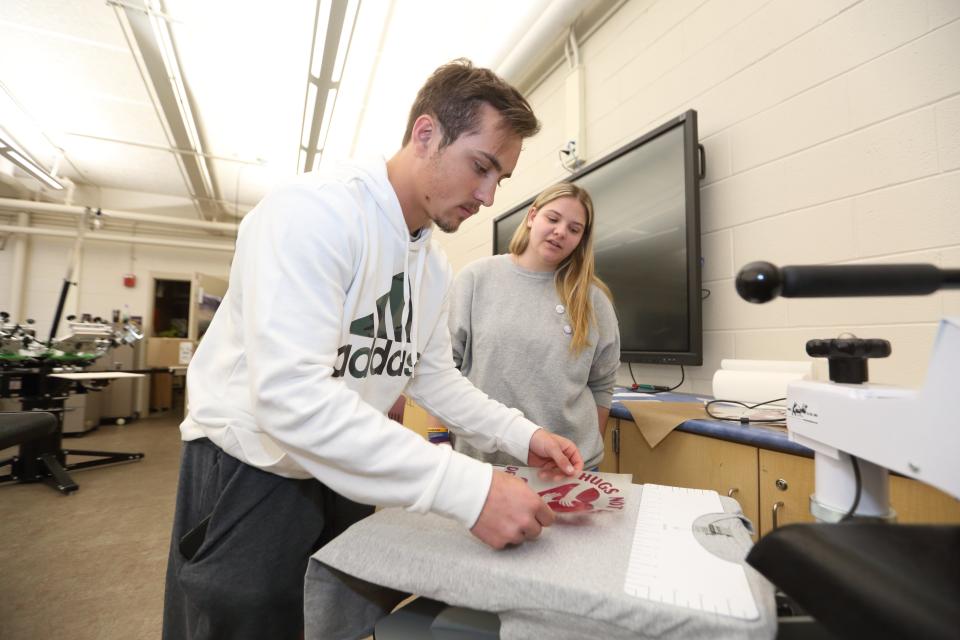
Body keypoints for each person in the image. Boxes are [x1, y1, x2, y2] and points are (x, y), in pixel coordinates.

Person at [162, 59, 584, 640]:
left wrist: (523, 436)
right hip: (252, 467)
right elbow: (291, 398)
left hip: (343, 466)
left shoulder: (431, 264)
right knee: (245, 622)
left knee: (337, 619)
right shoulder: (314, 213)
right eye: (481, 167)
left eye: (500, 180)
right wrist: (469, 489)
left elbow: (431, 376)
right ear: (426, 133)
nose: (487, 196)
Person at [446, 182, 620, 470]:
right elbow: (443, 368)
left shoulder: (593, 300)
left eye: (574, 229)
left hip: (566, 468)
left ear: (581, 240)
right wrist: (438, 438)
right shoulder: (476, 279)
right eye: (552, 219)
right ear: (531, 217)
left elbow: (602, 384)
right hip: (482, 464)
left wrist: (585, 455)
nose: (561, 231)